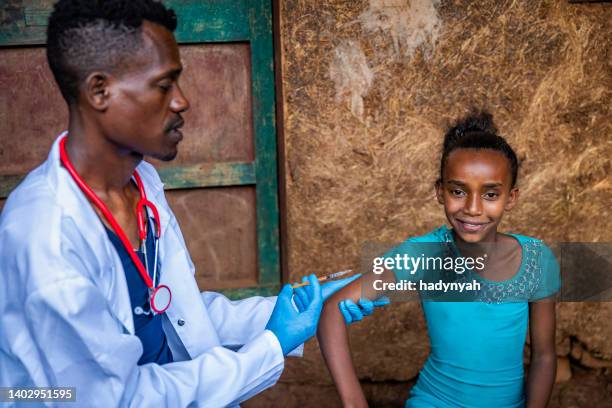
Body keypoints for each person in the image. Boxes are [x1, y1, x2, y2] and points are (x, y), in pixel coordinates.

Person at [0, 1, 385, 406]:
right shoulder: (47, 238)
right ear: (100, 91)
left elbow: (174, 313)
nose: (182, 101)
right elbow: (117, 400)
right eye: (165, 85)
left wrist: (291, 311)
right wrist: (272, 343)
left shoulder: (140, 183)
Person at [317, 112, 561, 407]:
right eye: (458, 191)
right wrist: (355, 403)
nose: (472, 208)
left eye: (490, 194)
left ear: (511, 198)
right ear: (439, 192)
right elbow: (333, 309)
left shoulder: (535, 260)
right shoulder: (423, 254)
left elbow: (545, 355)